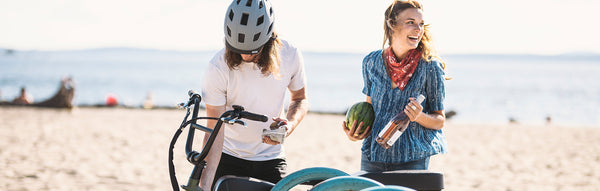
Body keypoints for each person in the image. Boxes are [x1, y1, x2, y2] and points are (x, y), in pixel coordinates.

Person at [199, 0, 309, 190]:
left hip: (271, 157)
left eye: (253, 51)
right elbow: (213, 129)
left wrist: (288, 126)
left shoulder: (290, 55)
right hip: (227, 155)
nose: (246, 57)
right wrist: (205, 184)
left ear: (268, 39)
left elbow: (300, 99)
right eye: (239, 50)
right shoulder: (217, 66)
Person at [343, 0, 448, 172]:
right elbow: (369, 110)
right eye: (410, 23)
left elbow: (439, 120)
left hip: (413, 157)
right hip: (373, 156)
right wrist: (355, 133)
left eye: (421, 24)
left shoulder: (430, 67)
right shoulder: (371, 62)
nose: (418, 29)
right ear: (392, 25)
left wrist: (418, 116)